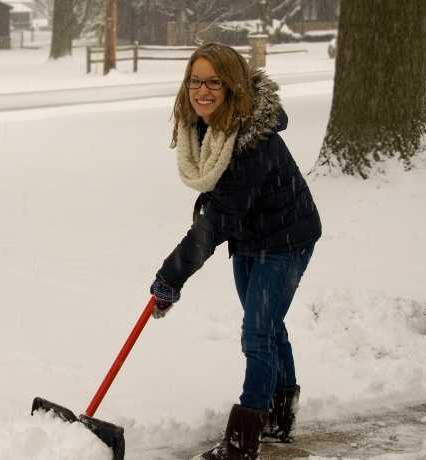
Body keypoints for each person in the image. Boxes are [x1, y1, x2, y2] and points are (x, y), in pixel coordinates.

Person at [149, 43, 322, 460]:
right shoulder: (206, 128)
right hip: (250, 236)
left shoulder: (250, 141)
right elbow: (223, 211)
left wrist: (171, 276)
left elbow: (220, 218)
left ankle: (243, 440)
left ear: (233, 86)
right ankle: (281, 415)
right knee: (269, 326)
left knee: (258, 332)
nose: (202, 90)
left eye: (214, 81)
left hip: (286, 238)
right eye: (195, 80)